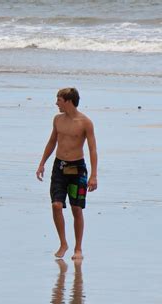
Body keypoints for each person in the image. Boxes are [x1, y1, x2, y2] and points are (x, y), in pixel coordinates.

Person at [36, 88, 98, 260]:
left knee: (76, 208)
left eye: (59, 100)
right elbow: (51, 142)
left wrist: (93, 175)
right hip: (59, 167)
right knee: (56, 205)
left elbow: (92, 149)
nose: (56, 103)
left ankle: (78, 248)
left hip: (77, 169)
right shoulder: (57, 120)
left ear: (68, 101)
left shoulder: (85, 122)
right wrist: (42, 163)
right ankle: (63, 243)